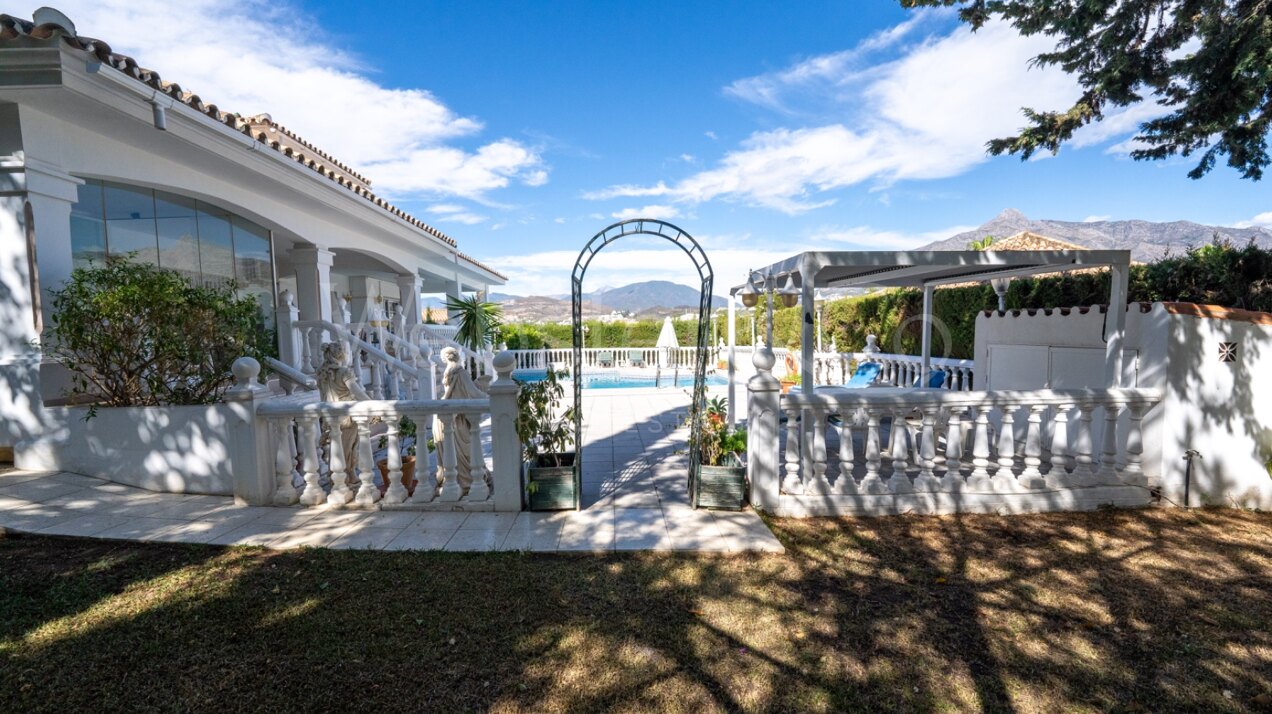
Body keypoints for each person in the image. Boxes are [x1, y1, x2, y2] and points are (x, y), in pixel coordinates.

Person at [433, 346, 489, 495]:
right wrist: (491, 398)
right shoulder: (460, 372)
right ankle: (466, 482)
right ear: (457, 357)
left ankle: (456, 480)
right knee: (466, 450)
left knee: (457, 451)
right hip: (457, 418)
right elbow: (474, 393)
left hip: (446, 415)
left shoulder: (448, 372)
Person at [315, 341, 369, 481]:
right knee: (347, 447)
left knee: (338, 447)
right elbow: (358, 393)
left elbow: (323, 397)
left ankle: (348, 477)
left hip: (331, 416)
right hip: (346, 417)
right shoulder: (344, 372)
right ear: (341, 354)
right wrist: (374, 405)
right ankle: (343, 479)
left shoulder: (322, 373)